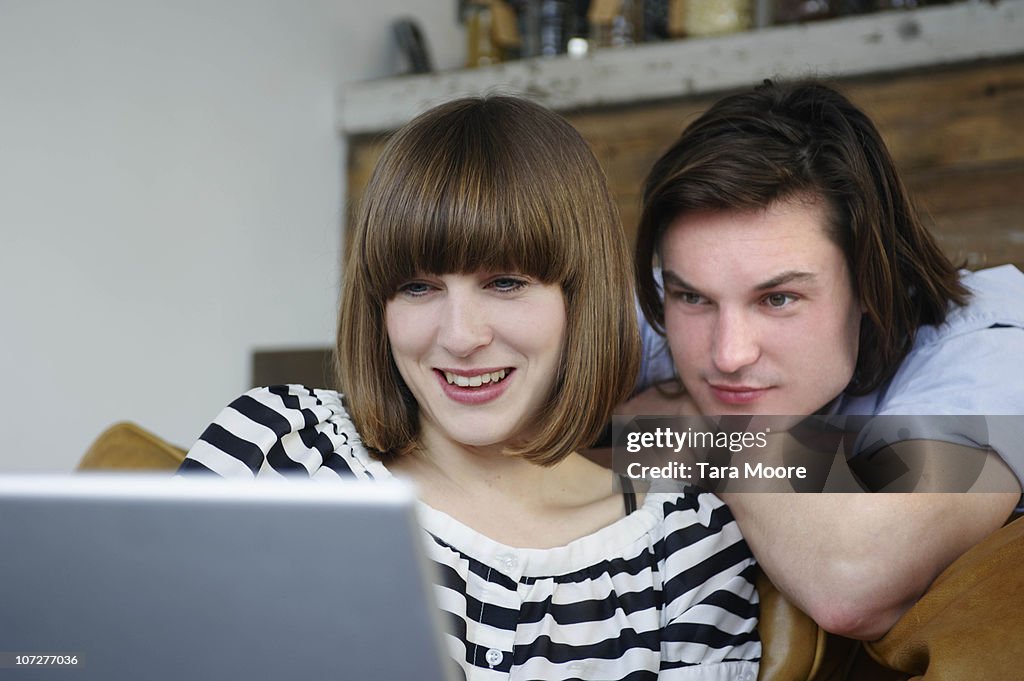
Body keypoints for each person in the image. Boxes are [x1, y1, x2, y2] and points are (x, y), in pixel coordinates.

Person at [180, 96, 761, 680]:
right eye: (417, 287)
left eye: (505, 282)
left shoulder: (685, 547)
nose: (460, 337)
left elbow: (839, 558)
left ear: (580, 299)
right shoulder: (280, 448)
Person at [628, 78, 1024, 642]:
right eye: (693, 297)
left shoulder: (989, 349)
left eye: (778, 299)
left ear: (871, 279)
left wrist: (698, 430)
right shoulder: (685, 292)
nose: (728, 354)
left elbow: (855, 577)